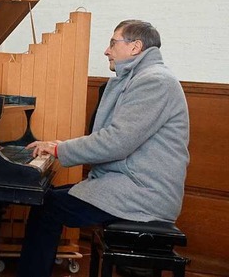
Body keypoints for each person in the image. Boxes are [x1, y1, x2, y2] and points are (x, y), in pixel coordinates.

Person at [16, 20, 189, 277]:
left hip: (143, 192)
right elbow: (116, 138)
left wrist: (58, 150)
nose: (106, 51)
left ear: (135, 47)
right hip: (130, 184)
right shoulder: (142, 78)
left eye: (112, 43)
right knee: (48, 199)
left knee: (48, 206)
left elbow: (117, 141)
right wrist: (61, 147)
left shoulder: (154, 82)